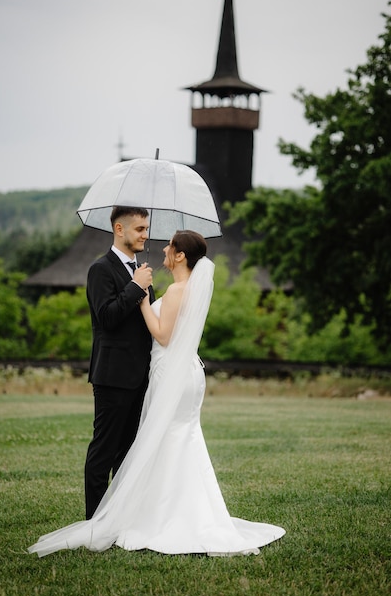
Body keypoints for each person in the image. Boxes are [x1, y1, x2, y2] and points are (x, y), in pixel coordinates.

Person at [29, 230, 285, 557]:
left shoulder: (179, 290)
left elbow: (163, 336)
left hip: (172, 374)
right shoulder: (186, 289)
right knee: (180, 438)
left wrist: (143, 299)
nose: (164, 248)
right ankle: (182, 510)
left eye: (170, 247)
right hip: (184, 373)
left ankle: (170, 517)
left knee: (171, 438)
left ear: (179, 256)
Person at [84, 205, 154, 519]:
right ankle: (94, 522)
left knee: (127, 455)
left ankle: (120, 519)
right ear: (119, 229)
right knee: (104, 452)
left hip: (140, 376)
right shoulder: (101, 269)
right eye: (140, 228)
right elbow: (108, 317)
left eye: (146, 228)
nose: (145, 234)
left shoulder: (140, 271)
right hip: (112, 377)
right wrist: (136, 286)